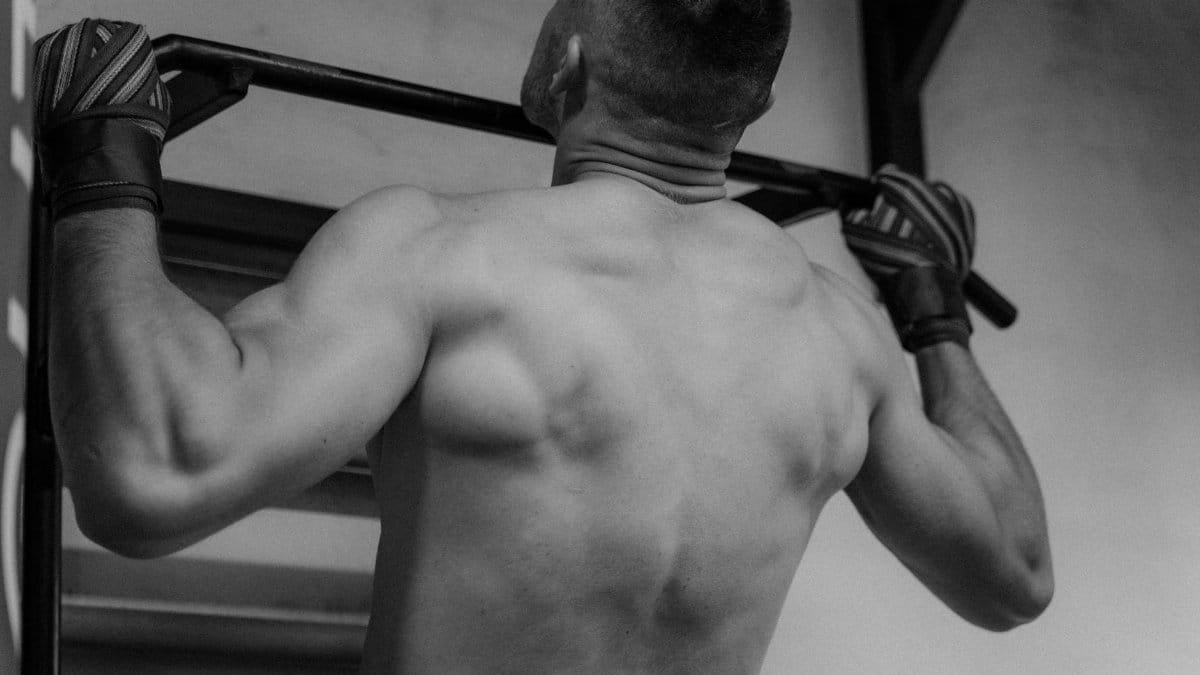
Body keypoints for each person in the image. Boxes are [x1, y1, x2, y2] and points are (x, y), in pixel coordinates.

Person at [34, 3, 1052, 673]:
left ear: (565, 58)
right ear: (758, 103)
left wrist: (105, 168)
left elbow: (151, 473)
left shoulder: (440, 253)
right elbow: (1013, 574)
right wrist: (932, 314)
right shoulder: (838, 336)